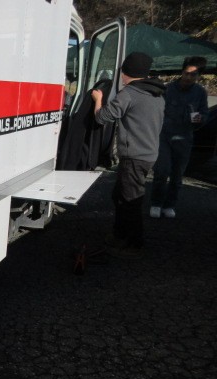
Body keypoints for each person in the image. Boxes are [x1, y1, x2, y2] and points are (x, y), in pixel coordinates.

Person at [91, 52, 165, 259]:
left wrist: (98, 99)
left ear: (125, 72)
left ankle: (134, 244)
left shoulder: (130, 93)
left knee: (130, 201)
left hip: (134, 155)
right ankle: (120, 234)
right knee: (120, 196)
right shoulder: (157, 94)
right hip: (148, 153)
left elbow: (102, 117)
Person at [149, 56, 209, 219]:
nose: (188, 77)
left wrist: (200, 119)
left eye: (193, 74)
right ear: (182, 72)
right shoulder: (167, 89)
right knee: (161, 171)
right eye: (186, 73)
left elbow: (205, 113)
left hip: (184, 138)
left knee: (177, 175)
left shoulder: (200, 93)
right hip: (164, 136)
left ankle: (169, 205)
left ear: (199, 76)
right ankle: (156, 203)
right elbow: (156, 111)